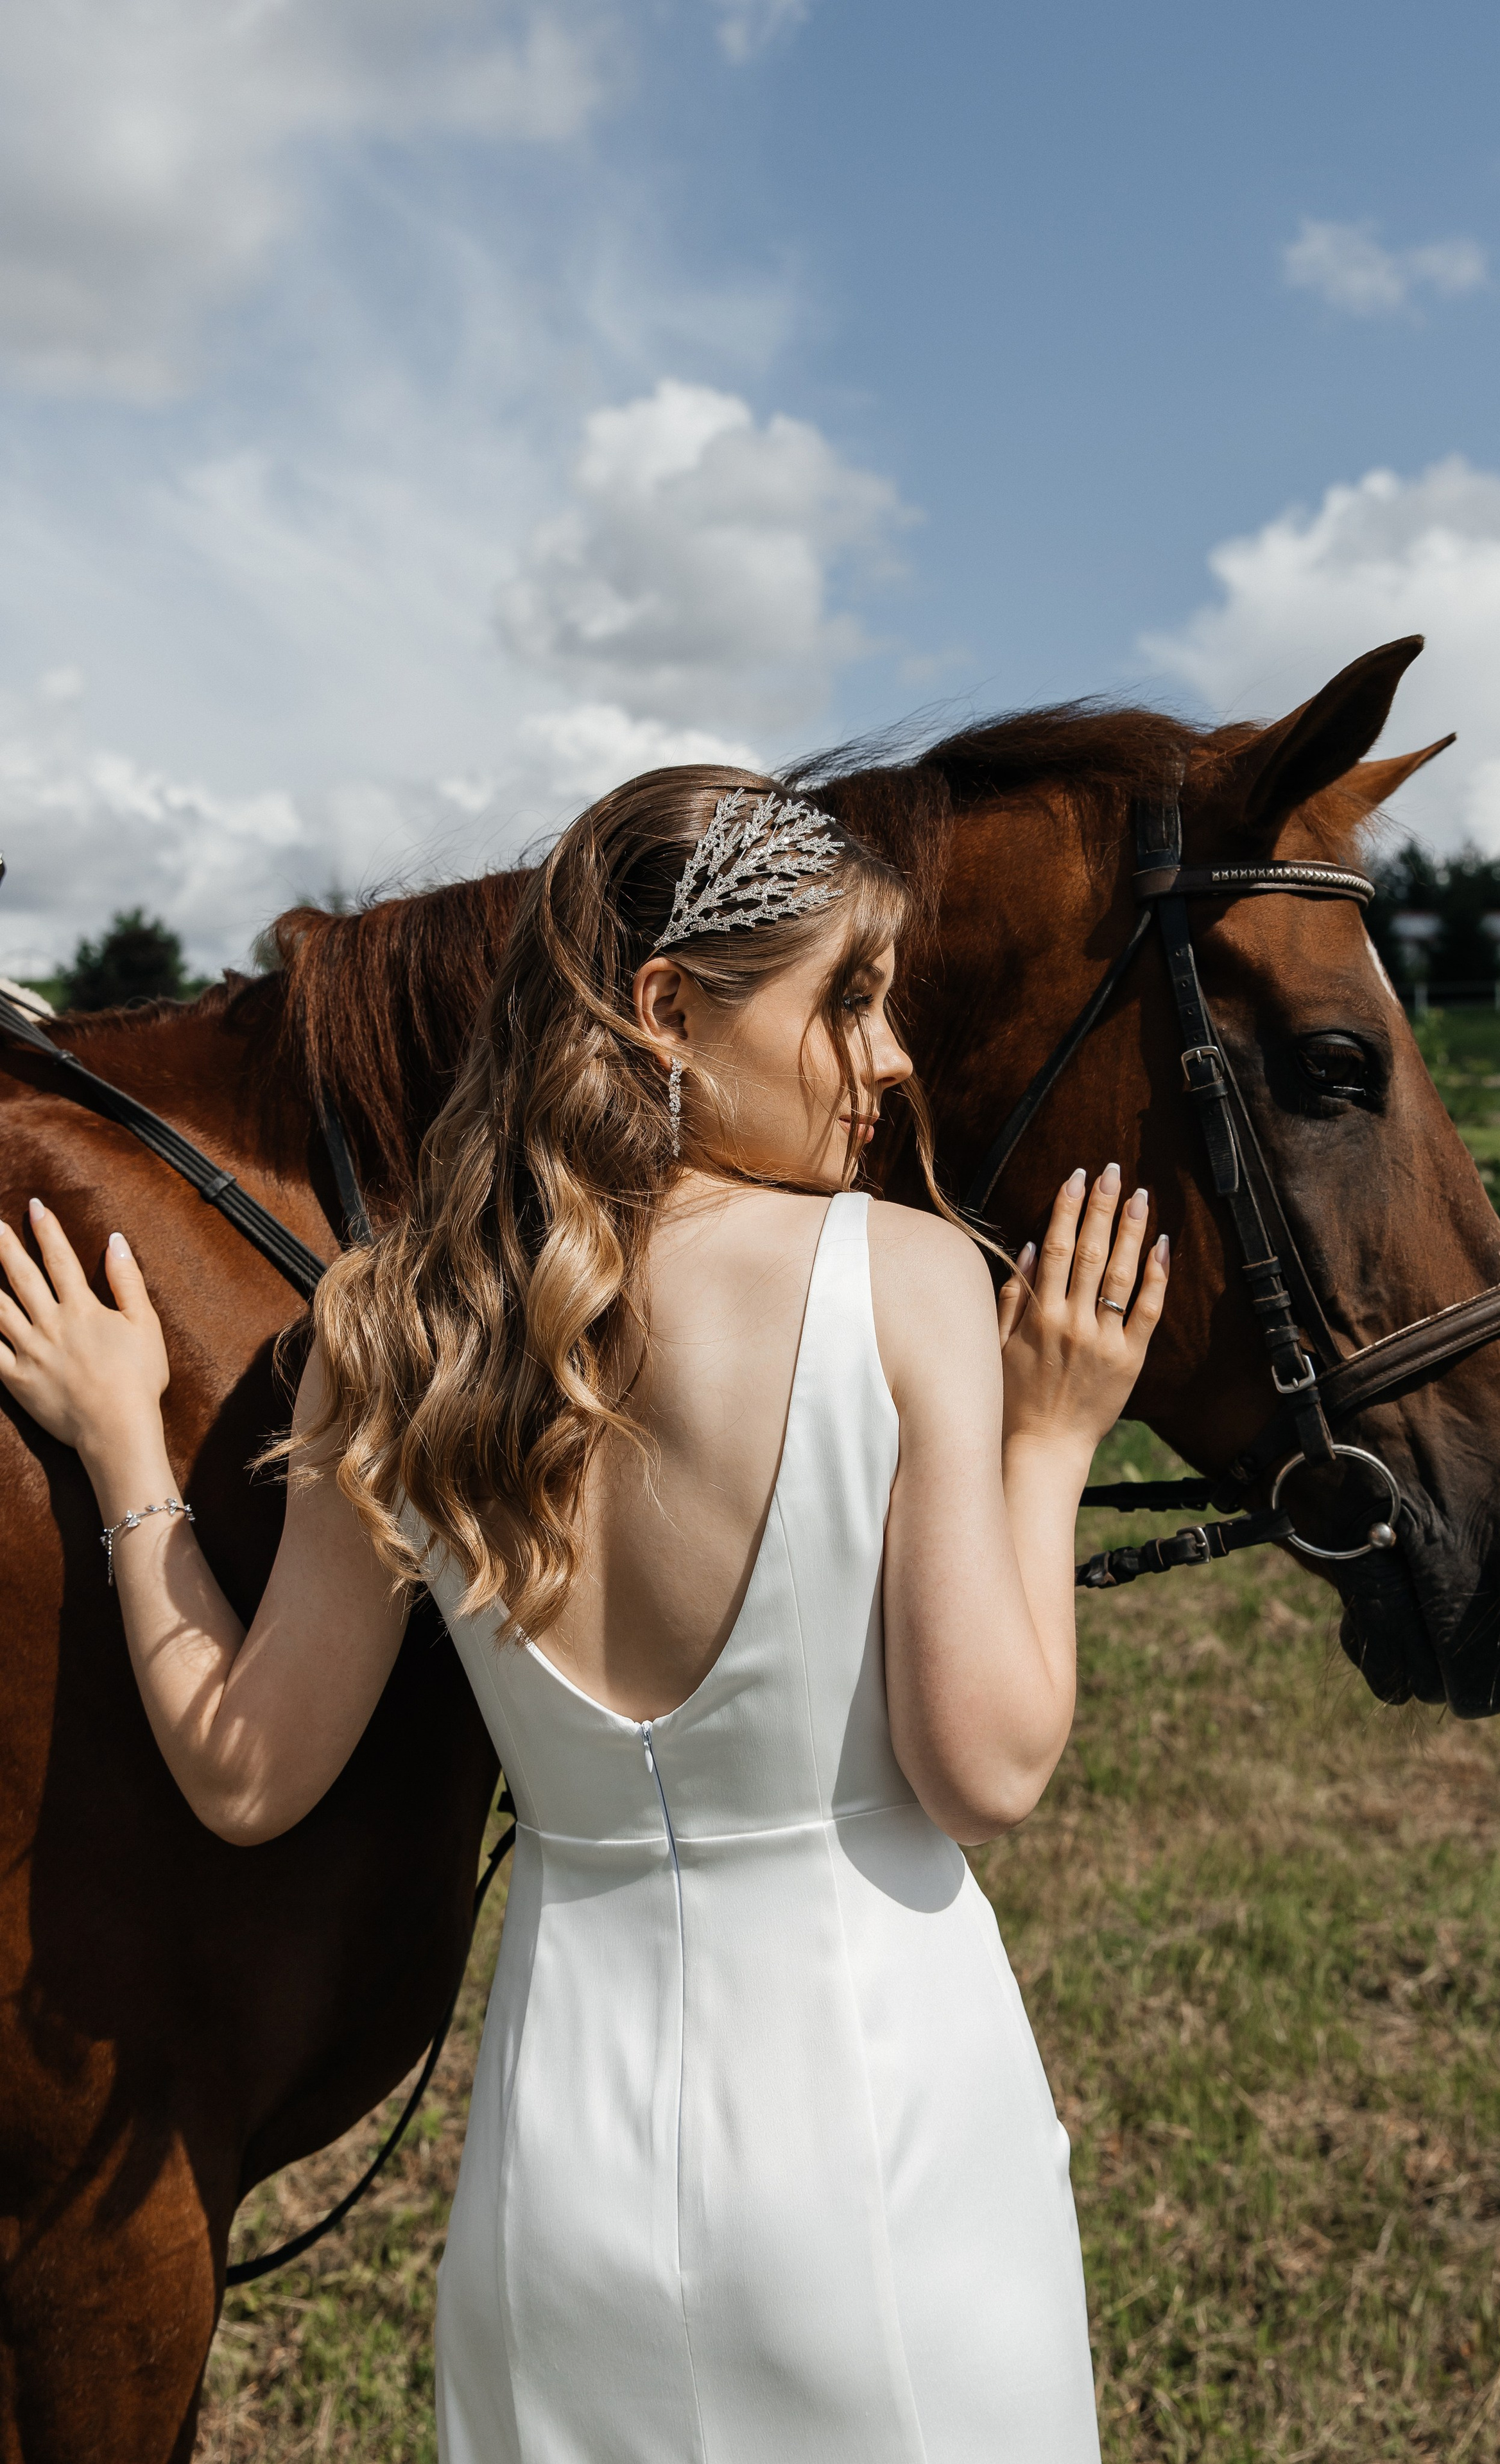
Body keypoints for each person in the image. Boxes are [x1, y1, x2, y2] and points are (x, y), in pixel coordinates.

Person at [0, 768, 1168, 2464]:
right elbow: (985, 1765)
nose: (894, 1057)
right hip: (886, 2149)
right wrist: (1052, 1442)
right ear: (667, 1011)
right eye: (847, 997)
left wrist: (123, 1446)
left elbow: (245, 1775)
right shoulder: (906, 1279)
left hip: (563, 2193)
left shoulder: (393, 1327)